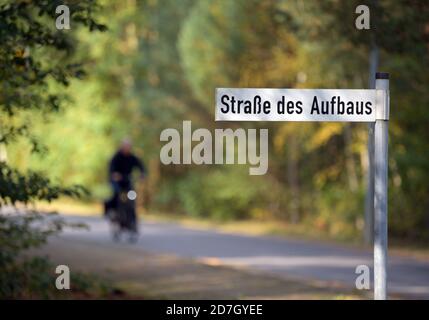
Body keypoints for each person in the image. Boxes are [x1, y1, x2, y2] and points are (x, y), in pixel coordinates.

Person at [104, 139, 146, 225]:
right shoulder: (116, 157)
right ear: (122, 146)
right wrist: (114, 174)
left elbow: (140, 166)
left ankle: (133, 218)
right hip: (116, 182)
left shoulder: (132, 157)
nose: (127, 148)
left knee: (132, 197)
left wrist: (142, 174)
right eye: (125, 146)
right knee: (117, 194)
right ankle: (112, 212)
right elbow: (111, 168)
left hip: (127, 181)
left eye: (128, 146)